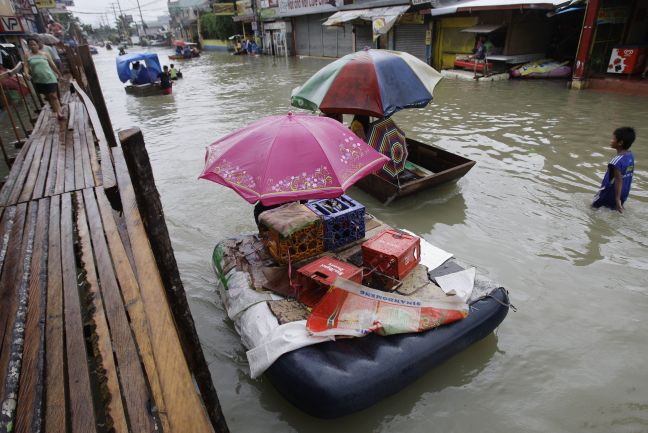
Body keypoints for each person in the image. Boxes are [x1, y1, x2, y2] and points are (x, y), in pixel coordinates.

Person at [592, 127, 636, 213]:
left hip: (610, 193)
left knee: (593, 209)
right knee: (615, 211)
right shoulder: (630, 156)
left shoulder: (616, 162)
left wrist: (617, 200)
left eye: (613, 138)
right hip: (624, 192)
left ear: (620, 142)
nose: (611, 140)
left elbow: (618, 180)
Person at [23, 36, 64, 120]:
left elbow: (52, 65)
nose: (32, 46)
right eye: (30, 45)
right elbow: (26, 66)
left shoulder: (45, 54)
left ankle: (59, 112)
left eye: (34, 44)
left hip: (50, 77)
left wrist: (59, 74)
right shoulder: (27, 55)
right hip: (38, 79)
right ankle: (56, 110)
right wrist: (26, 74)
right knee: (48, 97)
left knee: (53, 96)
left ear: (38, 45)